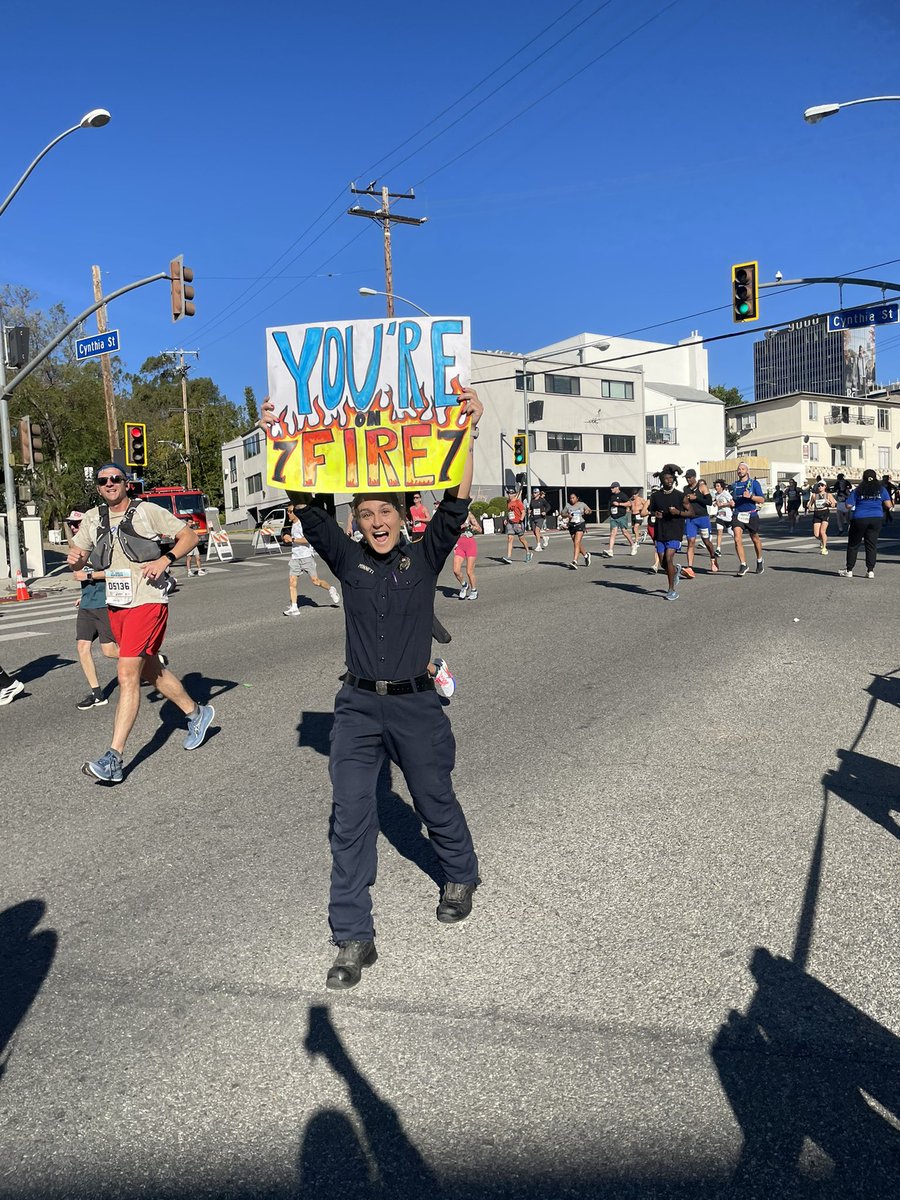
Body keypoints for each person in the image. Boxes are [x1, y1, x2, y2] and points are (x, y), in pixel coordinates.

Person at [261, 391, 483, 990]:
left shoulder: (427, 554)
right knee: (351, 815)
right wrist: (279, 439)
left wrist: (466, 431)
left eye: (386, 512)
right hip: (357, 706)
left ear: (404, 516)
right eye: (366, 514)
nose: (377, 523)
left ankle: (460, 871)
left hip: (415, 703)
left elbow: (458, 503)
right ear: (355, 521)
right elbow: (307, 506)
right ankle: (354, 937)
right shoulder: (345, 560)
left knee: (432, 797)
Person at [67, 463, 216, 784]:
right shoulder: (93, 519)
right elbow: (77, 552)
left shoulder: (147, 510)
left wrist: (165, 559)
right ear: (98, 487)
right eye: (103, 480)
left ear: (126, 483)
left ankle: (113, 758)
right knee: (151, 669)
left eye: (115, 479)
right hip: (117, 604)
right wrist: (76, 558)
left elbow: (188, 535)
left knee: (126, 673)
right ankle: (196, 713)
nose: (109, 484)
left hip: (148, 601)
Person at [66, 509, 121, 710]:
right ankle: (97, 694)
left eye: (77, 523)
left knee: (109, 651)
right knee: (82, 647)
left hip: (105, 603)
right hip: (88, 604)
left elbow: (117, 572)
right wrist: (82, 596)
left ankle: (146, 658)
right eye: (71, 523)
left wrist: (89, 577)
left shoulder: (102, 544)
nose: (74, 526)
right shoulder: (77, 548)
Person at [282, 502, 341, 614]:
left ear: (295, 513)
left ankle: (331, 589)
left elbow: (308, 540)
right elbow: (289, 537)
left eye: (290, 512)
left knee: (315, 581)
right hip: (295, 558)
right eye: (287, 512)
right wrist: (286, 538)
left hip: (306, 557)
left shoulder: (302, 524)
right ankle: (294, 608)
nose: (288, 514)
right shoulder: (292, 525)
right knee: (292, 582)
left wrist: (292, 539)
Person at [839, 469, 893, 579]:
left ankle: (849, 570)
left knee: (854, 544)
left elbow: (848, 505)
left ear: (863, 478)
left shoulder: (858, 490)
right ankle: (870, 570)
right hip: (876, 518)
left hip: (860, 518)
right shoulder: (881, 489)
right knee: (871, 545)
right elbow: (888, 505)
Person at [648, 465, 690, 600]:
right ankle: (675, 571)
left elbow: (691, 512)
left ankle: (671, 590)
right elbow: (650, 510)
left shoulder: (680, 496)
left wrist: (678, 512)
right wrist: (655, 513)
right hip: (661, 531)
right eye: (666, 479)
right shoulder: (655, 496)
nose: (669, 480)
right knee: (663, 563)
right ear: (662, 480)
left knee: (669, 558)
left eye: (671, 478)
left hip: (675, 531)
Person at [730, 461, 765, 577]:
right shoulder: (734, 485)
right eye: (738, 469)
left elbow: (762, 500)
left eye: (742, 469)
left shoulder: (754, 483)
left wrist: (751, 496)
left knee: (755, 539)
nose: (740, 471)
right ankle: (743, 564)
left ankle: (759, 560)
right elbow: (734, 501)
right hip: (738, 514)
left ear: (747, 471)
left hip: (751, 514)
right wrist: (731, 503)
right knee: (737, 538)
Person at [681, 471, 718, 577]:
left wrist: (696, 498)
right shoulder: (685, 489)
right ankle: (690, 567)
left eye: (689, 478)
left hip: (702, 518)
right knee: (690, 541)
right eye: (686, 478)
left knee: (706, 541)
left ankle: (712, 557)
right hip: (691, 518)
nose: (688, 479)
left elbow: (709, 501)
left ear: (694, 477)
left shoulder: (702, 487)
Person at [452, 509, 483, 599]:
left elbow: (479, 529)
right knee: (456, 570)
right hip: (459, 544)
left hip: (470, 544)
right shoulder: (454, 516)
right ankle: (464, 585)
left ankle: (474, 590)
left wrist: (470, 526)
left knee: (469, 571)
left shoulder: (469, 515)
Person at [600, 482, 635, 557]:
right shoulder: (611, 495)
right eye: (611, 487)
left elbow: (629, 503)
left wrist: (619, 504)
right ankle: (610, 550)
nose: (611, 489)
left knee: (624, 532)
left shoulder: (622, 495)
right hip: (613, 517)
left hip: (621, 516)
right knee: (613, 533)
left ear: (617, 487)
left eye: (613, 487)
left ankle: (633, 545)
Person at [563, 492, 593, 568]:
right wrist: (567, 515)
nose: (572, 499)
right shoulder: (568, 505)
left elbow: (589, 510)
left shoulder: (582, 504)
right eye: (570, 498)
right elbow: (562, 513)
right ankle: (586, 555)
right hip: (572, 525)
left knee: (576, 542)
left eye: (573, 498)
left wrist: (587, 511)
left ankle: (574, 561)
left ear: (577, 498)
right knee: (577, 543)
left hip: (580, 524)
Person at [501, 487, 531, 563]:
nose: (509, 495)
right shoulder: (508, 502)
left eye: (511, 493)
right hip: (510, 523)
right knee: (510, 538)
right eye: (508, 493)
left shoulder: (518, 502)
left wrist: (520, 522)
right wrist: (506, 519)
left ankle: (528, 552)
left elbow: (523, 512)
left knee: (522, 539)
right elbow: (509, 512)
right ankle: (508, 557)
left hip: (518, 523)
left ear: (514, 494)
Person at [807, 480, 836, 555]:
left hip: (825, 513)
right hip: (817, 513)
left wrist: (829, 503)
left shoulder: (828, 495)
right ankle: (822, 541)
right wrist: (809, 507)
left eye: (822, 485)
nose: (820, 487)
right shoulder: (814, 495)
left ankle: (824, 547)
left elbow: (834, 504)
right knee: (816, 534)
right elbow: (810, 505)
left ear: (825, 487)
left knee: (822, 532)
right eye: (819, 485)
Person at [712, 480, 734, 555]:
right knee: (719, 531)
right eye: (715, 486)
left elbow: (732, 503)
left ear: (722, 487)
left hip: (727, 516)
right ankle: (718, 549)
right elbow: (717, 502)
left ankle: (738, 540)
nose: (716, 487)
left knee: (730, 531)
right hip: (720, 515)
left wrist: (722, 505)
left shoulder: (726, 493)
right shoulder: (716, 494)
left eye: (718, 486)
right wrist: (715, 504)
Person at [528, 488, 551, 552]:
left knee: (537, 530)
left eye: (535, 493)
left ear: (538, 493)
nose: (534, 494)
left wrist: (545, 512)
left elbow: (548, 506)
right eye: (533, 493)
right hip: (533, 517)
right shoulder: (532, 500)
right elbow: (530, 508)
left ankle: (539, 546)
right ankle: (544, 537)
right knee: (535, 532)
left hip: (540, 517)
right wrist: (529, 511)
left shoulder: (542, 500)